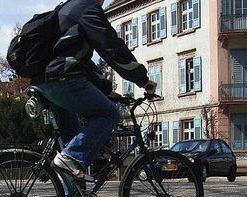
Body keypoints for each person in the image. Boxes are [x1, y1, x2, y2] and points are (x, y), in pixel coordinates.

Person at [34, 0, 157, 181]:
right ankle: (69, 160)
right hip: (62, 79)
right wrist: (142, 79)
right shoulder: (87, 8)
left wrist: (106, 90)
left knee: (70, 141)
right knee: (109, 114)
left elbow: (82, 63)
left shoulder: (68, 8)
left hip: (46, 80)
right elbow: (110, 46)